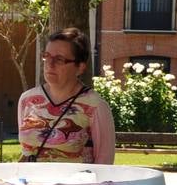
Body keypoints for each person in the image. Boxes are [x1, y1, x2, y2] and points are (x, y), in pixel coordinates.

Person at [16, 27, 115, 164]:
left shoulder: (96, 106)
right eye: (47, 56)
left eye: (59, 59)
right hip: (30, 178)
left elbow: (104, 164)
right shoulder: (27, 100)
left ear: (80, 67)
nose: (50, 64)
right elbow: (25, 152)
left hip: (76, 179)